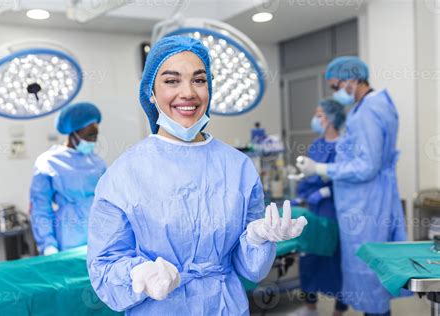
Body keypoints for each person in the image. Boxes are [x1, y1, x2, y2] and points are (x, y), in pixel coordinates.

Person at [87, 36, 308, 315]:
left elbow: (249, 268)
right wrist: (137, 274)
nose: (188, 92)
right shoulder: (125, 174)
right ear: (151, 93)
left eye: (199, 80)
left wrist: (256, 239)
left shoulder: (238, 167)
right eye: (171, 81)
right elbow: (104, 265)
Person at [296, 56, 406, 316]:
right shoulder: (368, 107)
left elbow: (367, 166)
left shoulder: (368, 111)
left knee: (369, 272)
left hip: (365, 203)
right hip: (365, 200)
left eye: (336, 86)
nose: (336, 93)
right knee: (369, 272)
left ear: (353, 79)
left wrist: (322, 169)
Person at [292, 99, 347, 316]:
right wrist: (301, 195)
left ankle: (338, 312)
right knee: (309, 259)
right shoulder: (317, 145)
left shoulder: (345, 147)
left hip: (335, 212)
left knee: (335, 263)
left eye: (320, 115)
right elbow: (308, 176)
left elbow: (349, 179)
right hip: (313, 213)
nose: (316, 119)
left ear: (332, 119)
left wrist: (326, 192)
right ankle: (310, 309)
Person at [30, 102, 106, 256]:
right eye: (89, 135)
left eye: (96, 135)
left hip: (100, 236)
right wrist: (48, 244)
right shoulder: (48, 162)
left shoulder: (98, 163)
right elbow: (40, 208)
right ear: (74, 133)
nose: (93, 141)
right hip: (68, 237)